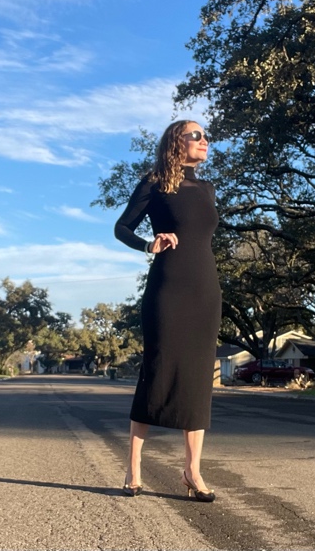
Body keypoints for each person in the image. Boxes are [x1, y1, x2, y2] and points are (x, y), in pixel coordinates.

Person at [114, 119, 221, 502]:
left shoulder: (207, 188)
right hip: (168, 288)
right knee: (157, 370)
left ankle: (192, 471)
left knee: (197, 378)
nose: (205, 140)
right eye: (196, 135)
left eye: (205, 136)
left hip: (205, 290)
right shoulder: (154, 183)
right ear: (177, 141)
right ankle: (134, 467)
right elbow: (122, 227)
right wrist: (149, 244)